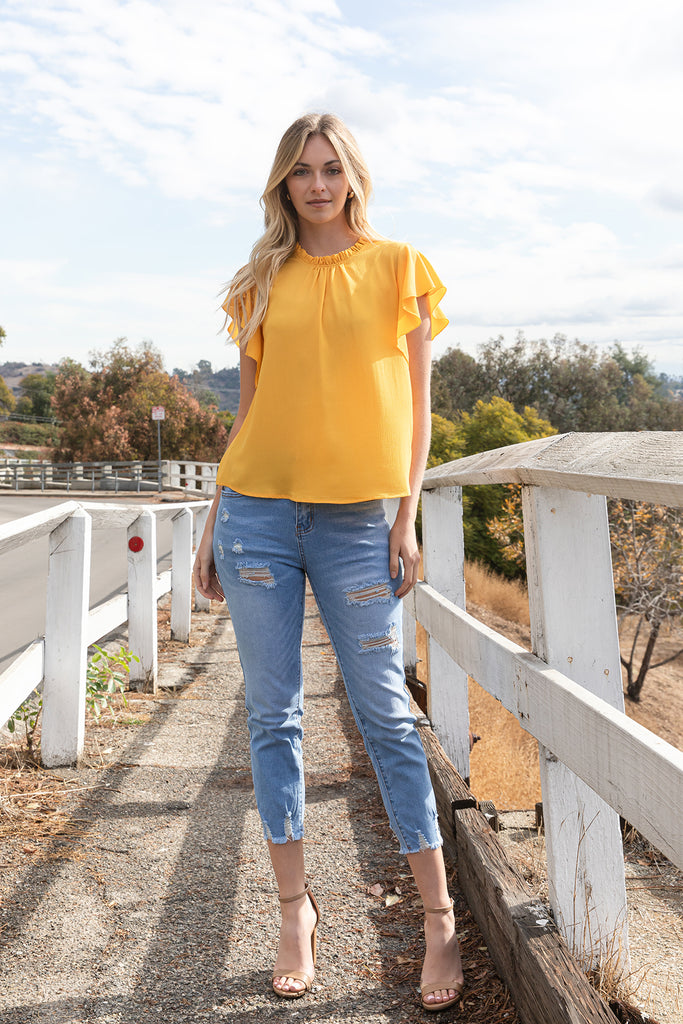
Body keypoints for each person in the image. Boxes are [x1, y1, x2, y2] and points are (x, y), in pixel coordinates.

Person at [193, 112, 465, 1012]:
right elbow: (248, 413)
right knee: (273, 717)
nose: (317, 185)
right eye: (302, 171)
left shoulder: (399, 268)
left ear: (353, 177)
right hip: (257, 519)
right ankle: (293, 914)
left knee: (385, 714)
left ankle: (438, 921)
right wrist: (212, 522)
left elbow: (419, 411)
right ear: (283, 183)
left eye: (331, 168)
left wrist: (405, 517)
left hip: (357, 525)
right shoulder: (260, 282)